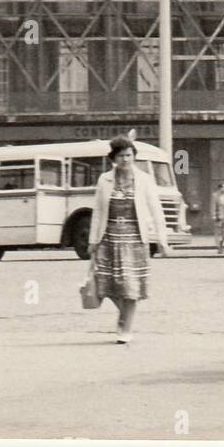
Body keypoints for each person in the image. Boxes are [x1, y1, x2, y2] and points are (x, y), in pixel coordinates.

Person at [86, 135, 168, 344]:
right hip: (109, 237)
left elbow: (156, 210)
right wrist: (93, 240)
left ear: (134, 156)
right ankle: (126, 315)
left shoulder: (144, 179)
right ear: (114, 158)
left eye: (129, 155)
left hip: (135, 238)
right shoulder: (104, 180)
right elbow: (97, 211)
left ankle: (125, 327)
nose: (126, 159)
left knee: (131, 285)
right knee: (106, 283)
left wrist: (162, 239)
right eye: (121, 156)